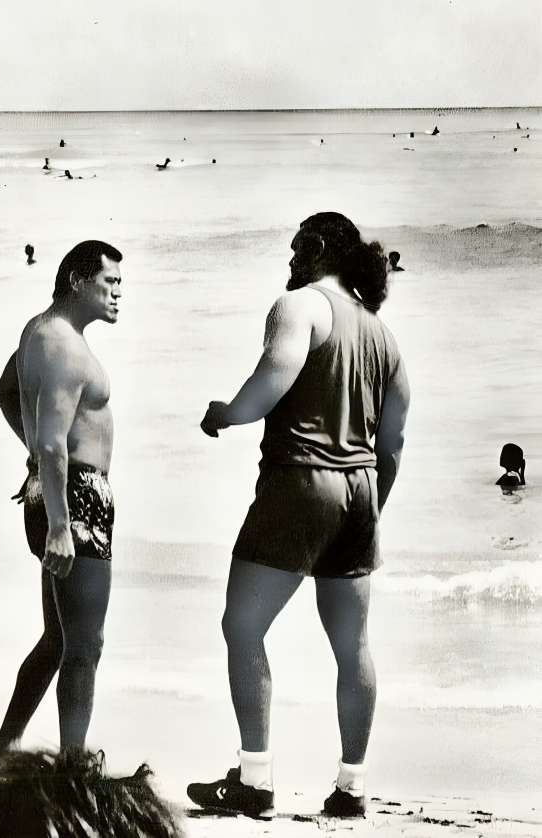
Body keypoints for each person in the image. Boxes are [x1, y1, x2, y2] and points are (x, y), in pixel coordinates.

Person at [188, 212, 410, 819]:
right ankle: (351, 788)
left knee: (242, 628)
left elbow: (271, 381)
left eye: (294, 248)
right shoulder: (384, 337)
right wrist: (368, 511)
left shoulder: (300, 306)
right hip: (360, 491)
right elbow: (391, 445)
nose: (288, 259)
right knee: (353, 646)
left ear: (316, 249)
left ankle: (255, 779)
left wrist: (224, 413)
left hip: (299, 484)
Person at [0, 240, 123, 770]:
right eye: (109, 284)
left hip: (57, 492)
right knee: (86, 645)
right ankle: (74, 763)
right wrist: (62, 525)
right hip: (76, 500)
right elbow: (54, 440)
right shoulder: (64, 345)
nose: (117, 296)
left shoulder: (38, 331)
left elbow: (4, 393)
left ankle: (4, 746)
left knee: (58, 638)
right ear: (76, 282)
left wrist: (39, 464)